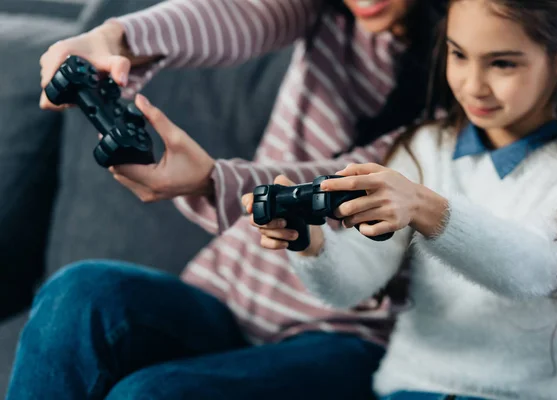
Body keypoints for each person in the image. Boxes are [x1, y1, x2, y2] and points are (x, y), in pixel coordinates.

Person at [7, 1, 445, 399]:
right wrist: (112, 38)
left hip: (341, 336)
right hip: (226, 298)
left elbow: (363, 182)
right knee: (76, 293)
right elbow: (236, 14)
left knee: (149, 394)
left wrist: (212, 181)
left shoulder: (468, 71)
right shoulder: (328, 15)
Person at [253, 0, 557, 399]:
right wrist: (311, 245)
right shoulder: (424, 149)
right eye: (458, 54)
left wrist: (424, 208)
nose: (472, 85)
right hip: (413, 386)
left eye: (502, 63)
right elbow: (352, 284)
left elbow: (535, 271)